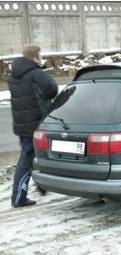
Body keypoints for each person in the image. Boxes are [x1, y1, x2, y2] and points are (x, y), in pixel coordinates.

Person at [8, 45, 58, 208]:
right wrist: (42, 70)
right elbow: (52, 89)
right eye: (40, 56)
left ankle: (41, 187)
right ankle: (18, 198)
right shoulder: (36, 73)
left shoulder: (14, 74)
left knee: (33, 157)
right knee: (27, 160)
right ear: (36, 57)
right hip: (35, 125)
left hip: (22, 124)